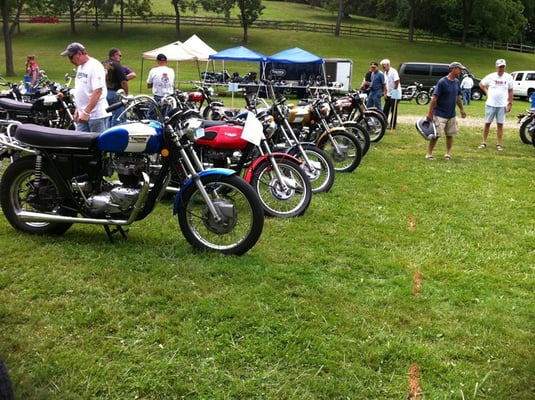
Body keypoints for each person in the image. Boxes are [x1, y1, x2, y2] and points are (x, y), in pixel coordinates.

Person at [61, 42, 110, 132]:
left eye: (71, 57)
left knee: (96, 143)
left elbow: (98, 91)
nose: (70, 60)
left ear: (79, 53)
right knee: (79, 143)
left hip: (95, 115)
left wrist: (86, 112)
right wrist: (78, 109)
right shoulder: (81, 67)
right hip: (83, 114)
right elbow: (82, 90)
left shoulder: (94, 66)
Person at [425, 61, 467, 160]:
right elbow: (434, 98)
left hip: (451, 114)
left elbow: (457, 97)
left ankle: (448, 153)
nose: (460, 71)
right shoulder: (442, 82)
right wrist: (430, 113)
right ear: (453, 69)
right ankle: (429, 153)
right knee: (436, 135)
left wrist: (462, 109)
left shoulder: (457, 82)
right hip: (440, 114)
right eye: (459, 69)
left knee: (450, 134)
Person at [478, 58, 514, 151]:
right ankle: (484, 142)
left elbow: (510, 90)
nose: (501, 69)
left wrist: (510, 103)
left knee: (500, 124)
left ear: (505, 67)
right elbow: (481, 84)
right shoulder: (491, 76)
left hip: (502, 105)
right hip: (491, 104)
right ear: (496, 67)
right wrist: (486, 92)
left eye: (503, 67)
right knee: (487, 123)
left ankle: (499, 144)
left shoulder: (509, 77)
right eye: (499, 67)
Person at [103, 48, 129, 127]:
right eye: (120, 56)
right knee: (118, 116)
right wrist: (126, 94)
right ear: (114, 55)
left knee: (109, 115)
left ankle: (107, 131)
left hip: (102, 92)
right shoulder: (117, 65)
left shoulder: (101, 64)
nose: (121, 58)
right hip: (115, 93)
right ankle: (115, 135)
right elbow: (123, 81)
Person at [380, 59, 401, 129]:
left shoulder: (393, 71)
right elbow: (385, 84)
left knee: (393, 110)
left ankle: (393, 125)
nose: (383, 68)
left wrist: (394, 91)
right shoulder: (385, 73)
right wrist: (385, 93)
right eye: (382, 67)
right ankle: (384, 123)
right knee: (385, 109)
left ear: (388, 65)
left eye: (384, 66)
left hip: (396, 92)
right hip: (388, 93)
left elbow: (397, 81)